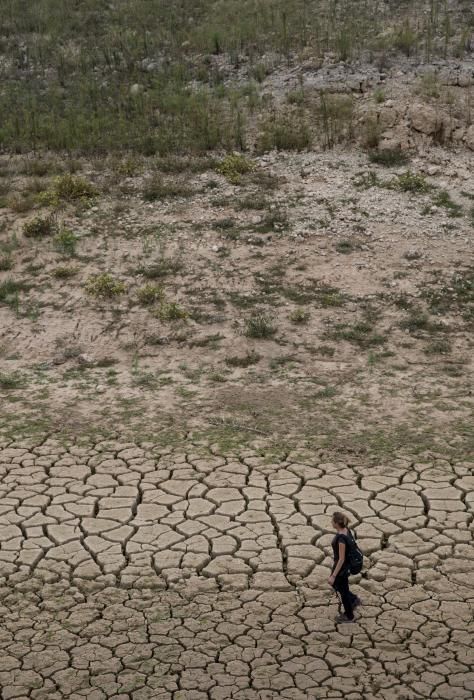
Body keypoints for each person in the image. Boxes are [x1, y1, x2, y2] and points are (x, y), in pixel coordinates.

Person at [328, 511, 361, 623]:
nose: (331, 522)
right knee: (340, 587)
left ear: (337, 523)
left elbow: (341, 559)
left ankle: (349, 616)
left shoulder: (341, 538)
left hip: (341, 567)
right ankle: (354, 599)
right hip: (345, 566)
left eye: (332, 520)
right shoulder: (347, 530)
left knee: (342, 590)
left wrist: (333, 575)